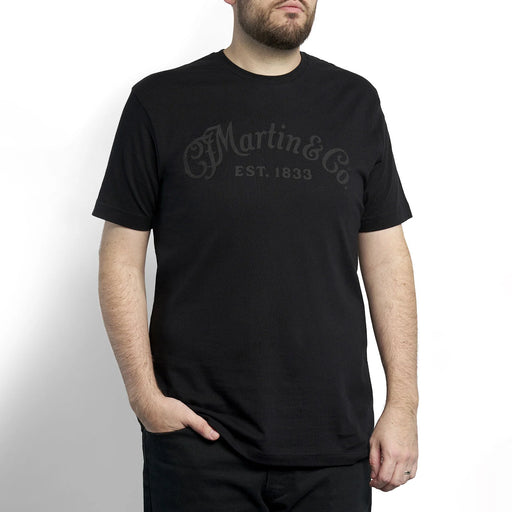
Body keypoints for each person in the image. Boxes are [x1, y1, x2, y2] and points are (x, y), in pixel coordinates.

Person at [92, 0, 418, 510]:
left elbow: (387, 259)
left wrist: (403, 404)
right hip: (199, 443)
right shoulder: (160, 101)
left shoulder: (355, 102)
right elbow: (120, 259)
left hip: (334, 442)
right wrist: (144, 397)